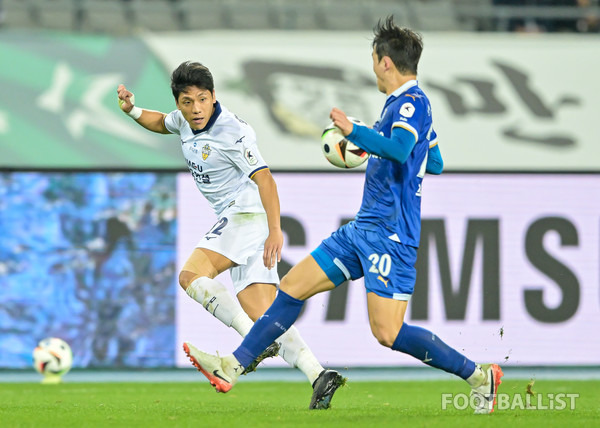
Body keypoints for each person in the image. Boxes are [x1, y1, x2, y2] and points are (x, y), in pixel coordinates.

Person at [182, 16, 504, 414]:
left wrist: (355, 132)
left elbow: (403, 151)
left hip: (391, 235)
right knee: (291, 288)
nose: (372, 67)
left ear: (385, 62)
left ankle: (478, 376)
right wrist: (378, 139)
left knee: (387, 332)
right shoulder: (406, 107)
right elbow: (432, 161)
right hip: (362, 228)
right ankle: (232, 365)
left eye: (373, 59)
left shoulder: (410, 102)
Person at [116, 61, 344, 410]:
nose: (195, 109)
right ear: (178, 101)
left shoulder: (232, 131)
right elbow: (161, 123)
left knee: (191, 275)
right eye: (187, 101)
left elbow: (265, 178)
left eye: (202, 100)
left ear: (213, 97)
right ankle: (318, 374)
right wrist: (132, 110)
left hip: (245, 213)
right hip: (240, 218)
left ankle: (253, 344)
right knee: (264, 314)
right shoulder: (184, 120)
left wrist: (275, 229)